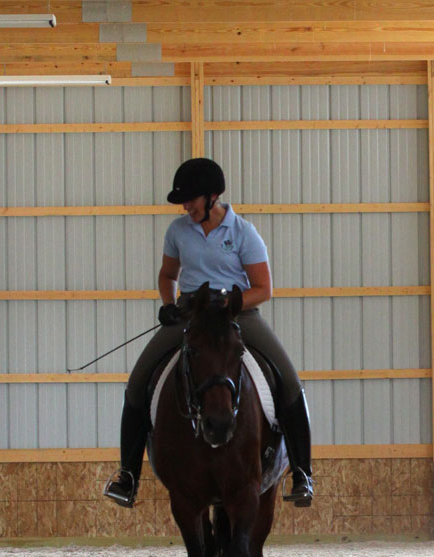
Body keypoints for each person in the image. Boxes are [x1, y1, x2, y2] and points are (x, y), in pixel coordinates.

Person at [103, 158, 313, 508]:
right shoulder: (177, 231)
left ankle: (303, 472)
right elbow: (168, 275)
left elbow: (264, 288)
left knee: (289, 381)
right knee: (138, 383)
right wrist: (170, 304)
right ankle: (128, 476)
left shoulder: (242, 232)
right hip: (192, 314)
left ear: (212, 197)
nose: (186, 207)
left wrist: (230, 300)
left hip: (237, 314)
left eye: (191, 200)